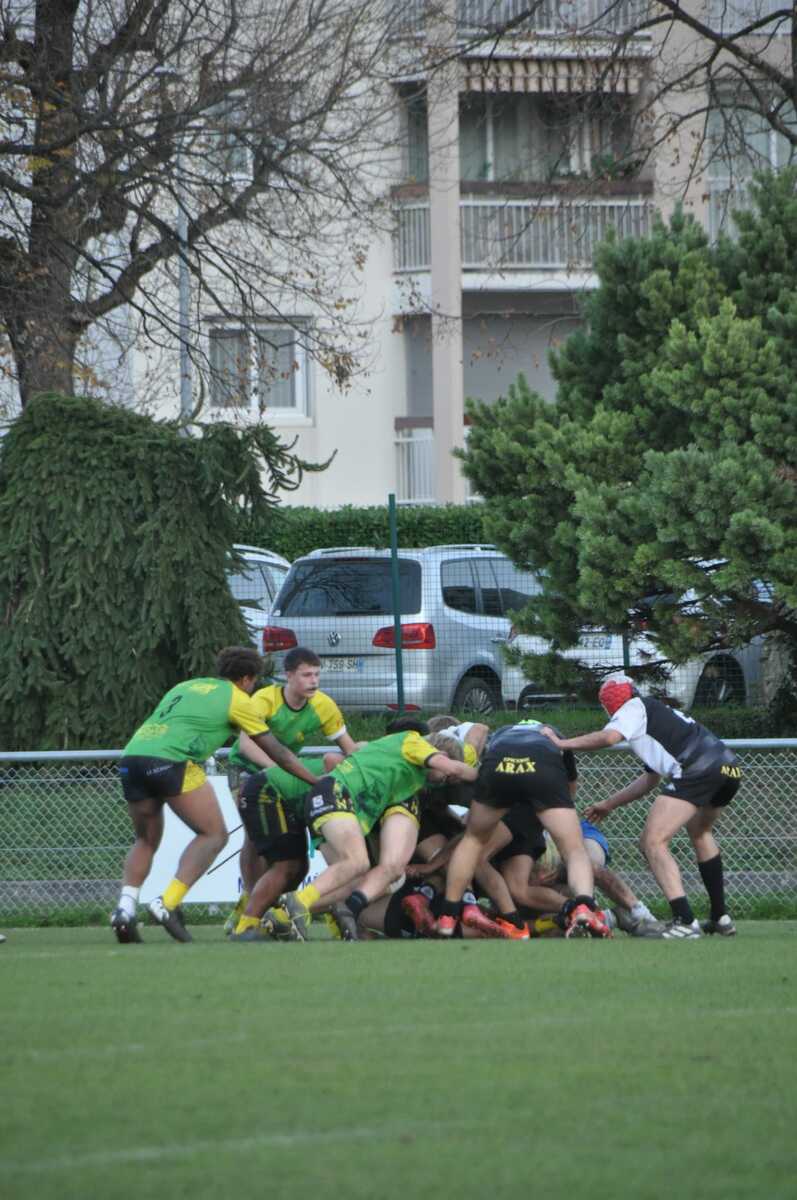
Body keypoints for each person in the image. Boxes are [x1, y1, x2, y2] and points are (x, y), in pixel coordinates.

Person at [111, 646, 322, 945]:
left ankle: (125, 909)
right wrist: (314, 781)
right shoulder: (238, 699)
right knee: (213, 835)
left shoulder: (186, 686)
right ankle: (166, 903)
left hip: (132, 757)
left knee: (145, 840)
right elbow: (277, 752)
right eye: (254, 682)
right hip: (171, 761)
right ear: (247, 678)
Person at [540, 674, 742, 939]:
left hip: (697, 768)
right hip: (728, 767)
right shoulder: (654, 719)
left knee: (652, 842)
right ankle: (720, 917)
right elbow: (650, 780)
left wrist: (562, 743)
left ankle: (685, 921)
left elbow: (609, 738)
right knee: (701, 833)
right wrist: (609, 804)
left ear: (610, 706)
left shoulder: (634, 708)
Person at [263, 728, 478, 940]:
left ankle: (284, 916)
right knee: (357, 862)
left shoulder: (410, 775)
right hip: (336, 794)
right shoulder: (413, 742)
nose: (443, 781)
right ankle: (298, 902)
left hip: (335, 799)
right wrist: (486, 780)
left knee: (360, 877)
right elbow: (454, 767)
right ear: (441, 754)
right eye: (446, 777)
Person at [433, 719, 612, 939]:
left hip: (499, 764)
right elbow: (570, 790)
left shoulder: (501, 735)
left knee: (473, 840)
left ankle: (448, 915)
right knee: (574, 850)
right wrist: (551, 815)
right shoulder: (553, 737)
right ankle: (583, 907)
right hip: (542, 768)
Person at [224, 646, 359, 933]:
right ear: (288, 676)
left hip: (285, 775)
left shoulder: (323, 705)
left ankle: (269, 908)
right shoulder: (265, 699)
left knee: (286, 849)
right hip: (246, 769)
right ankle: (250, 902)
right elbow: (247, 745)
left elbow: (349, 749)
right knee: (255, 837)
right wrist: (280, 771)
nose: (314, 681)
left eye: (317, 674)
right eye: (306, 675)